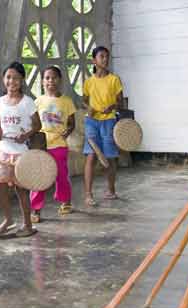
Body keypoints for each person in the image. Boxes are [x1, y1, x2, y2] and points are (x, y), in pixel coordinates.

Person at [0, 61, 41, 238]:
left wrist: (25, 136)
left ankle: (27, 224)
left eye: (16, 78)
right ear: (4, 79)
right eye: (9, 77)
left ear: (22, 80)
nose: (12, 81)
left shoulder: (28, 103)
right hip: (3, 150)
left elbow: (37, 125)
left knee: (21, 190)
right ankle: (8, 219)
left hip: (21, 152)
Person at [30, 66, 76, 223]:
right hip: (42, 146)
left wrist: (68, 131)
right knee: (39, 177)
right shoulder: (37, 101)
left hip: (59, 145)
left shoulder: (66, 101)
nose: (51, 81)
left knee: (61, 176)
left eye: (54, 77)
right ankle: (35, 209)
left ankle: (65, 200)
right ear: (43, 81)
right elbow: (33, 124)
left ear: (60, 80)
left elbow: (71, 123)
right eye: (47, 78)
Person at [82, 46, 123, 206]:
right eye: (101, 56)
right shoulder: (88, 81)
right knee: (91, 156)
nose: (105, 59)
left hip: (109, 121)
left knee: (110, 157)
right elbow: (84, 100)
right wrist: (88, 108)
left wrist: (112, 107)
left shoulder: (114, 80)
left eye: (107, 57)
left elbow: (120, 101)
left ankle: (111, 190)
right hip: (91, 122)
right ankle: (88, 194)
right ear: (94, 60)